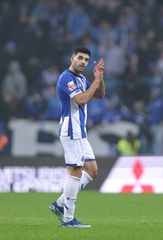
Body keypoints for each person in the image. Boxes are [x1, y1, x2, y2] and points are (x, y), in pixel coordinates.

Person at [49, 46, 105, 228]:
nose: (83, 62)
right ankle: (68, 219)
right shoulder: (66, 78)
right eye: (80, 58)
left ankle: (58, 204)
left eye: (86, 60)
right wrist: (95, 81)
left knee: (92, 170)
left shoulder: (81, 78)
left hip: (80, 132)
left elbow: (100, 95)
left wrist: (100, 79)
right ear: (72, 58)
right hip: (70, 129)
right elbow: (81, 99)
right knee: (75, 171)